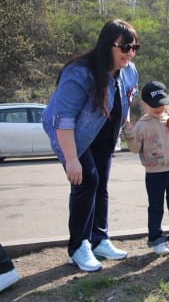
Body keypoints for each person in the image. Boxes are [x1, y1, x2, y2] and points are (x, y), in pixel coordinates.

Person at [42, 19, 139, 272]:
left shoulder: (129, 70)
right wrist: (71, 159)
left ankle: (99, 239)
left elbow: (126, 100)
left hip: (105, 136)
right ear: (108, 45)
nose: (130, 53)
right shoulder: (80, 72)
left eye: (134, 47)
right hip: (73, 135)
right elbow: (63, 118)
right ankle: (78, 246)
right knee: (86, 182)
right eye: (125, 47)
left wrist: (127, 126)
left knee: (101, 185)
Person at [123, 81, 169, 255]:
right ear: (144, 104)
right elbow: (135, 149)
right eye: (154, 104)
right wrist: (129, 135)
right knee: (156, 208)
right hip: (154, 175)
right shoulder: (142, 125)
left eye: (162, 103)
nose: (159, 108)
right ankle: (157, 239)